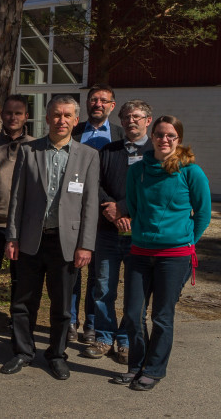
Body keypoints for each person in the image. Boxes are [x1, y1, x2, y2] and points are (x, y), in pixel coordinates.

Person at [1, 95, 100, 381]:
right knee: (23, 302)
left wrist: (86, 244)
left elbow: (91, 204)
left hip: (66, 244)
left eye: (67, 115)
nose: (61, 120)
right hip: (31, 239)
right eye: (56, 115)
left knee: (62, 306)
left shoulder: (88, 155)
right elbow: (17, 198)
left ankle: (56, 354)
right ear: (47, 118)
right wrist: (13, 237)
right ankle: (22, 352)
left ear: (75, 120)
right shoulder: (29, 151)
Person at [115, 115, 211, 391]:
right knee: (133, 314)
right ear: (152, 136)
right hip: (140, 252)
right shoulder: (138, 170)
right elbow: (132, 206)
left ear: (178, 139)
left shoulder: (191, 171)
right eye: (160, 134)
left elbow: (203, 213)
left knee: (161, 316)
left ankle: (154, 369)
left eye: (171, 135)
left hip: (175, 256)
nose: (164, 139)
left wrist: (186, 241)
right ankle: (136, 365)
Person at [82, 100, 153, 364]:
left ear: (148, 120)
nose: (130, 121)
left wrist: (125, 210)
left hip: (140, 233)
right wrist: (110, 210)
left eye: (136, 116)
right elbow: (94, 183)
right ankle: (103, 336)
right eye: (126, 117)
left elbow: (153, 190)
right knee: (102, 287)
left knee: (136, 292)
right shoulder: (108, 150)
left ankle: (125, 340)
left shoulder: (155, 152)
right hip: (108, 231)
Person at [69, 84, 125, 344]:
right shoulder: (74, 132)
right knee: (71, 268)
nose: (98, 104)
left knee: (97, 274)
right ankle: (70, 320)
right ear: (87, 103)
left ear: (112, 106)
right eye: (93, 99)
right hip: (72, 209)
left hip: (103, 213)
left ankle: (92, 324)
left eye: (104, 100)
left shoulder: (121, 135)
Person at [0, 95, 34, 346]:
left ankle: (17, 327)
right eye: (9, 113)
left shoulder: (35, 146)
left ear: (26, 116)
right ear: (1, 115)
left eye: (18, 113)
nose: (13, 117)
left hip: (21, 226)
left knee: (20, 280)